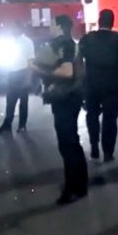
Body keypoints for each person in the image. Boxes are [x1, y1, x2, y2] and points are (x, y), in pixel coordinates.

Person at [32, 15, 88, 204]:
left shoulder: (65, 44)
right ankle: (79, 185)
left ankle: (72, 188)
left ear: (59, 27)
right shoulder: (68, 43)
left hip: (67, 98)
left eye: (52, 25)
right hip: (69, 97)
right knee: (71, 141)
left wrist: (39, 69)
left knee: (67, 143)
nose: (49, 28)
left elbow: (67, 71)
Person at [80, 9, 118, 162]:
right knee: (110, 119)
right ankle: (108, 151)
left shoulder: (87, 39)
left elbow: (79, 61)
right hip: (112, 84)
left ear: (99, 21)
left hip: (91, 83)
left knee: (92, 115)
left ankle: (94, 146)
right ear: (112, 22)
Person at [0, 23, 36, 133]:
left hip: (22, 73)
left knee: (23, 101)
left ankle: (22, 125)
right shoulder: (10, 41)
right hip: (12, 73)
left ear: (19, 29)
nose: (12, 31)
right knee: (10, 100)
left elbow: (30, 61)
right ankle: (7, 124)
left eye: (14, 28)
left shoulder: (27, 42)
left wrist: (28, 78)